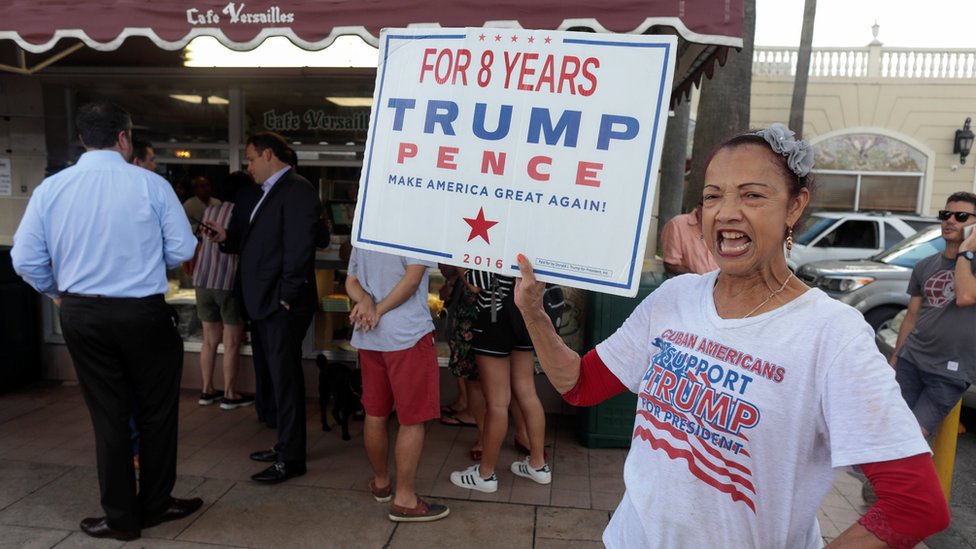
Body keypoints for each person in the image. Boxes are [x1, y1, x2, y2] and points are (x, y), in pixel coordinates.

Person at [511, 123, 949, 548]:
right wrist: (532, 310)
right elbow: (579, 385)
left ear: (795, 206)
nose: (726, 212)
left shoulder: (832, 334)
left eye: (752, 195)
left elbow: (914, 505)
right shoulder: (675, 297)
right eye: (713, 196)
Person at [11, 100, 202, 540]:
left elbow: (24, 259)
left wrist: (57, 292)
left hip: (82, 313)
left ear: (83, 139)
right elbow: (182, 250)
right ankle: (156, 504)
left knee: (109, 417)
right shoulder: (151, 185)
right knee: (156, 412)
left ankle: (120, 518)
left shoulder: (52, 189)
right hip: (142, 312)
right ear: (124, 137)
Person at [205, 132, 319, 483]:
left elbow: (300, 248)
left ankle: (291, 458)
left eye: (251, 158)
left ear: (268, 154)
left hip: (281, 303)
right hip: (262, 300)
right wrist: (226, 239)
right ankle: (284, 444)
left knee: (285, 380)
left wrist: (284, 296)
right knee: (276, 377)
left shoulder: (297, 188)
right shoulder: (261, 193)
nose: (248, 166)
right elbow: (254, 242)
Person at [344, 247, 451, 522]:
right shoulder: (415, 222)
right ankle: (405, 499)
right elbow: (412, 280)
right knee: (412, 419)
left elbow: (351, 280)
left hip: (370, 335)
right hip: (408, 334)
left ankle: (381, 482)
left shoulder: (367, 223)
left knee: (376, 413)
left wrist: (367, 303)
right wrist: (375, 309)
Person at [450, 271, 551, 494]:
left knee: (497, 403)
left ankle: (485, 474)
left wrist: (457, 262)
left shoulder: (498, 238)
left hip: (494, 317)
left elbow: (477, 283)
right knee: (527, 391)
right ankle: (538, 464)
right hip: (525, 314)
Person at [889, 192, 976, 436]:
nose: (950, 221)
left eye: (961, 216)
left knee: (911, 438)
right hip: (910, 361)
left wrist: (967, 250)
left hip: (950, 372)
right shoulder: (924, 265)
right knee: (888, 433)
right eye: (945, 214)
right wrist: (895, 359)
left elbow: (965, 297)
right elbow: (912, 316)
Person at [194, 170, 256, 410]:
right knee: (231, 342)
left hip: (203, 280)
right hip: (227, 282)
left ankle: (206, 390)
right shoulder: (241, 213)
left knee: (209, 340)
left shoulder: (209, 211)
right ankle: (230, 394)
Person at [660, 202, 719, 275]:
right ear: (700, 209)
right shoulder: (677, 224)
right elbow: (671, 265)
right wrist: (701, 280)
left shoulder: (722, 227)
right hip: (689, 284)